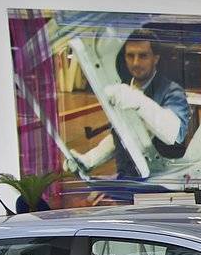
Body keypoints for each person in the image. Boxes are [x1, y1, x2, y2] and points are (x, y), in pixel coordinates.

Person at [71, 28, 193, 180]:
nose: (136, 63)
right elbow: (123, 135)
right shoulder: (124, 91)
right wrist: (90, 159)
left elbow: (175, 134)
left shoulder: (172, 91)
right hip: (127, 180)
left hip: (162, 183)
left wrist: (138, 101)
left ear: (156, 58)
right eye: (130, 56)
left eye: (143, 56)